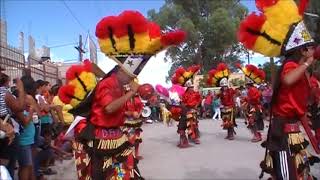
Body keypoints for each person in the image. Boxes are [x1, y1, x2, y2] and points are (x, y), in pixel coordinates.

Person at [58, 10, 185, 179]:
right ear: (122, 71)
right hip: (101, 139)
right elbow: (109, 108)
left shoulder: (119, 85)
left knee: (128, 171)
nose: (133, 79)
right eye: (131, 76)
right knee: (104, 174)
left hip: (116, 135)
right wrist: (131, 92)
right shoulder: (108, 83)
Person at [238, 0, 320, 178]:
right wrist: (307, 64)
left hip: (293, 126)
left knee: (299, 169)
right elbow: (288, 79)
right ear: (303, 50)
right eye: (311, 47)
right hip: (282, 129)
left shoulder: (303, 71)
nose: (314, 50)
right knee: (286, 173)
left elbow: (305, 98)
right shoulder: (291, 65)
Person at [0, 72, 25, 179]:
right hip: (4, 130)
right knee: (6, 167)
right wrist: (21, 89)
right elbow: (19, 107)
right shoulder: (2, 91)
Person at [171, 65, 201, 147]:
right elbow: (180, 103)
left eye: (192, 87)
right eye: (190, 87)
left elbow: (199, 100)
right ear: (187, 88)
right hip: (185, 111)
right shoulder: (182, 94)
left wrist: (196, 106)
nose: (191, 88)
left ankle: (194, 137)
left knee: (194, 124)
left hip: (193, 111)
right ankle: (185, 138)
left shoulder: (195, 93)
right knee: (184, 124)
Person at [236, 64, 265, 142]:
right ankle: (258, 135)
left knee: (252, 122)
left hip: (254, 107)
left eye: (246, 85)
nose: (246, 86)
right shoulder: (253, 89)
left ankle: (257, 136)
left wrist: (246, 99)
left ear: (248, 84)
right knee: (254, 122)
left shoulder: (252, 90)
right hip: (255, 107)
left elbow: (254, 99)